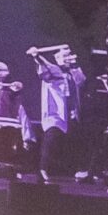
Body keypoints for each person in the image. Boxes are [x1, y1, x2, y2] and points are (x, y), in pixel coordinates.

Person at [28, 44, 85, 182]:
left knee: (77, 140)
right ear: (57, 58)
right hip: (56, 112)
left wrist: (73, 64)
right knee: (51, 138)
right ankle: (42, 169)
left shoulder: (73, 72)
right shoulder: (53, 71)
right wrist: (37, 56)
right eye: (63, 56)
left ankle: (80, 170)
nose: (67, 58)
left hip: (71, 111)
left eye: (68, 55)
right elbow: (45, 70)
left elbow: (81, 80)